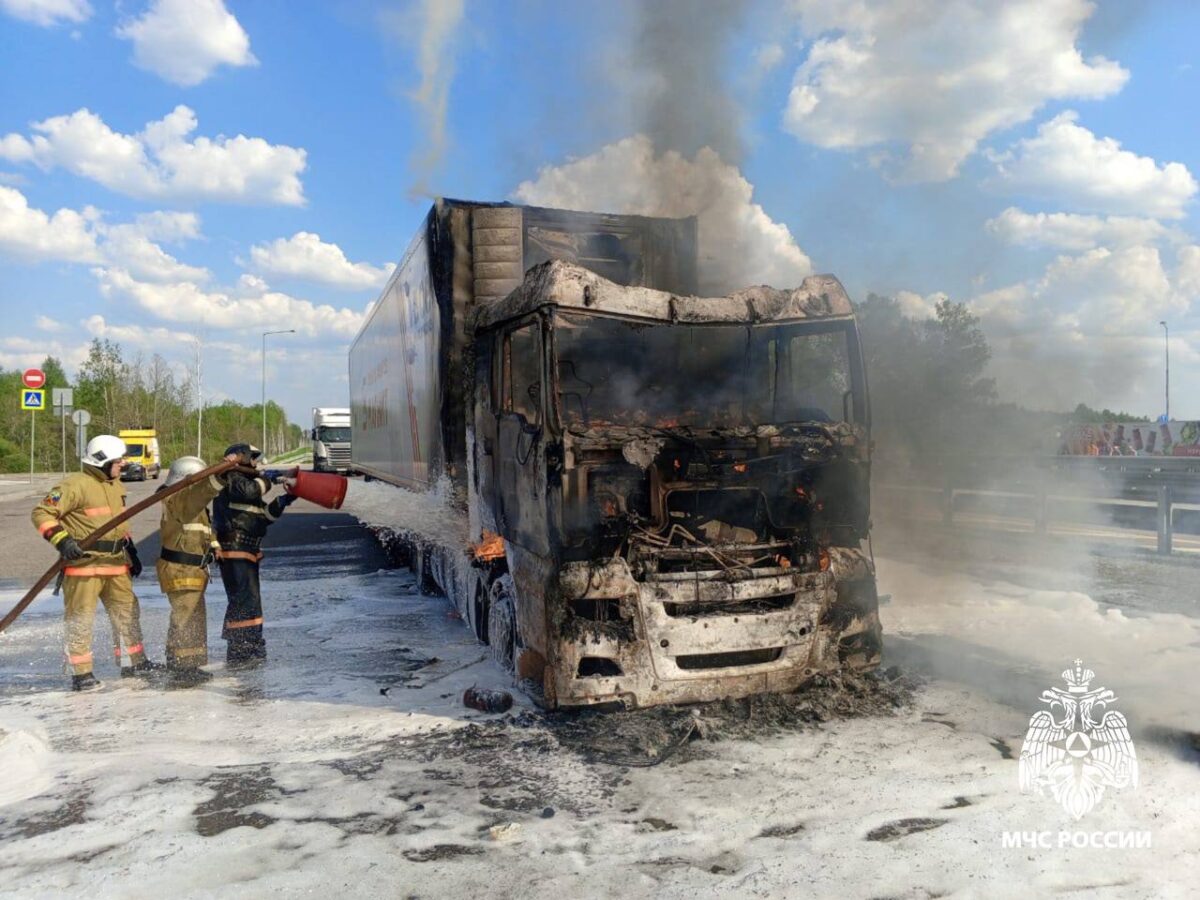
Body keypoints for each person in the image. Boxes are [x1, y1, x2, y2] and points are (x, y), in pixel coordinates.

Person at [31, 434, 162, 691]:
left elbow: (117, 522)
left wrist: (131, 550)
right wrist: (63, 541)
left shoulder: (114, 485)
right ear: (101, 461)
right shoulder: (74, 485)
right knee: (80, 619)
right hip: (84, 566)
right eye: (118, 460)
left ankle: (133, 662)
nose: (123, 464)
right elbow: (41, 513)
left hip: (116, 563)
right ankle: (81, 674)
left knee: (127, 614)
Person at [155, 453, 240, 686]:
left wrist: (214, 546)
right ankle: (185, 668)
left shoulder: (183, 501)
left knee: (185, 617)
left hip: (189, 569)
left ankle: (178, 659)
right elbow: (202, 492)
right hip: (183, 569)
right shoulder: (180, 497)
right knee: (188, 619)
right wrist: (219, 475)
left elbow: (201, 528)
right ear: (189, 479)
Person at [212, 443, 297, 666]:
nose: (257, 462)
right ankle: (240, 648)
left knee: (250, 601)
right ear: (243, 458)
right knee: (243, 600)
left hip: (247, 549)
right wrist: (268, 479)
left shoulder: (246, 483)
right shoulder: (232, 478)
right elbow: (251, 491)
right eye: (254, 458)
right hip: (235, 548)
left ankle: (251, 642)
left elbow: (263, 518)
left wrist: (282, 503)